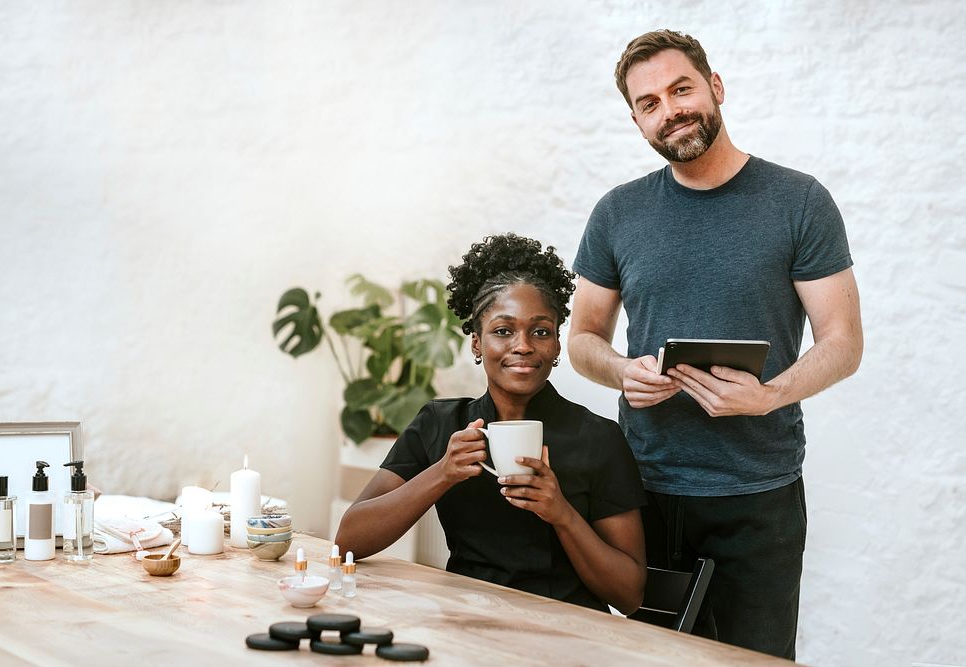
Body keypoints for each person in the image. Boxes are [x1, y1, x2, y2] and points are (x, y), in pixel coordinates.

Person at [568, 30, 863, 659]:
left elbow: (843, 341)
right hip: (643, 489)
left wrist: (769, 396)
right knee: (653, 658)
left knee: (754, 659)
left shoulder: (798, 201)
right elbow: (582, 339)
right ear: (636, 119)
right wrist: (622, 370)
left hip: (759, 494)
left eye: (681, 89)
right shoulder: (618, 213)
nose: (669, 110)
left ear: (715, 87)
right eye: (648, 103)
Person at [335, 233, 647, 614]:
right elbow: (348, 540)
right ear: (477, 343)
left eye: (541, 331)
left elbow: (629, 595)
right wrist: (443, 473)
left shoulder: (598, 438)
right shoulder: (441, 423)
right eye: (503, 331)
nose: (523, 346)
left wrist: (561, 513)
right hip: (466, 623)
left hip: (564, 634)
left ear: (556, 346)